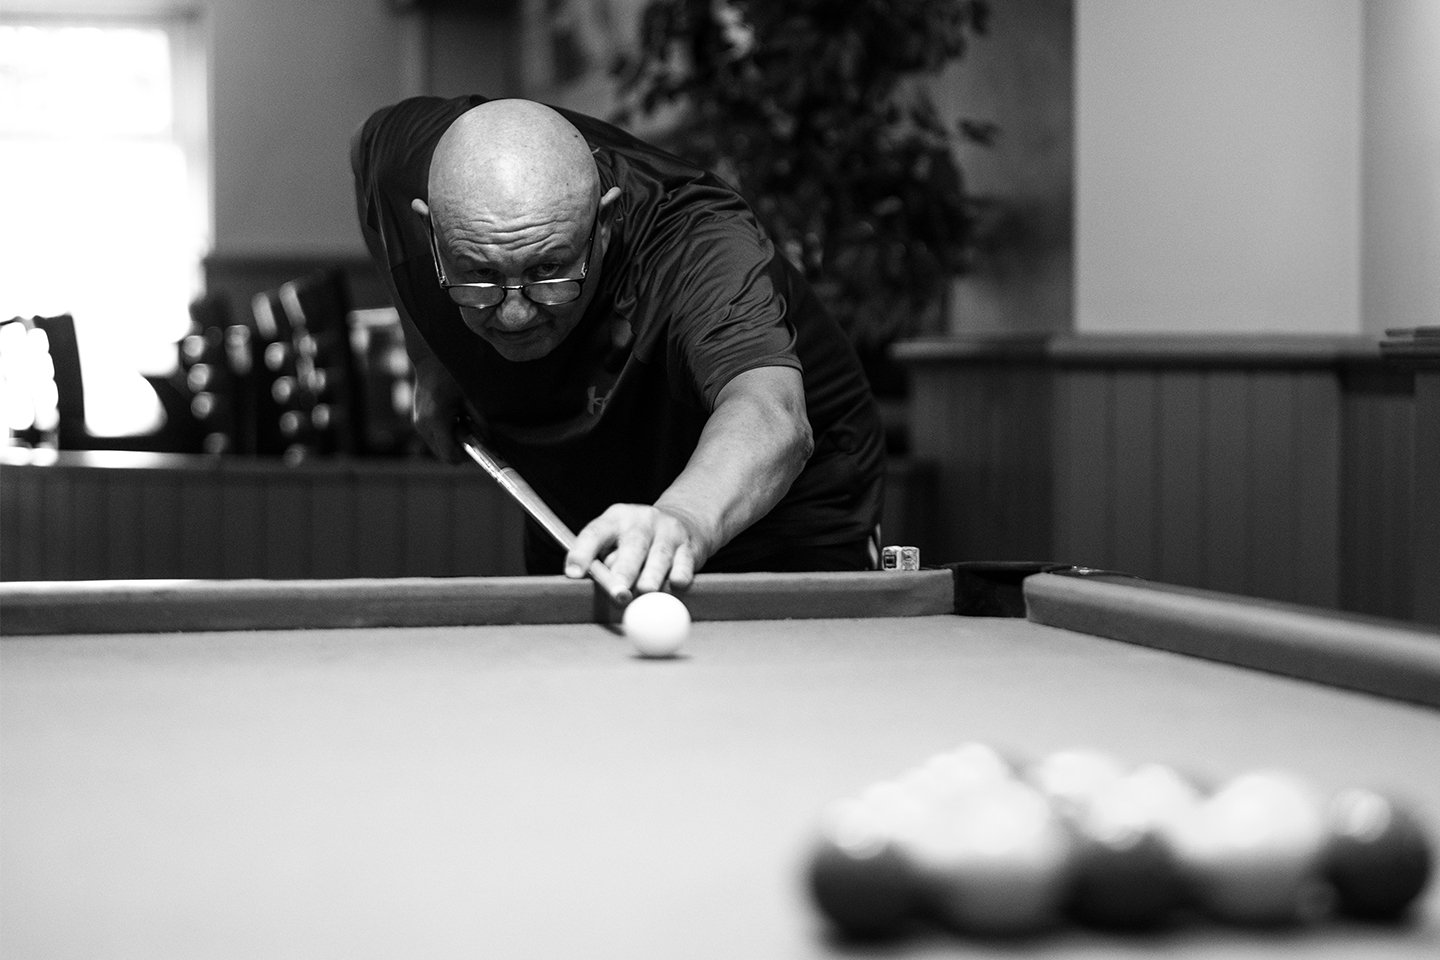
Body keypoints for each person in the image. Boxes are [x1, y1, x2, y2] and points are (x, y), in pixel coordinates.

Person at [351, 95, 884, 595]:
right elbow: (366, 153)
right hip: (582, 490)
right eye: (480, 274)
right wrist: (429, 358)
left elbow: (771, 414)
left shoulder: (697, 245)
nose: (514, 313)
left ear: (604, 224)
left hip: (778, 507)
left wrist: (683, 518)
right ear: (429, 232)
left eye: (548, 269)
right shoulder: (402, 162)